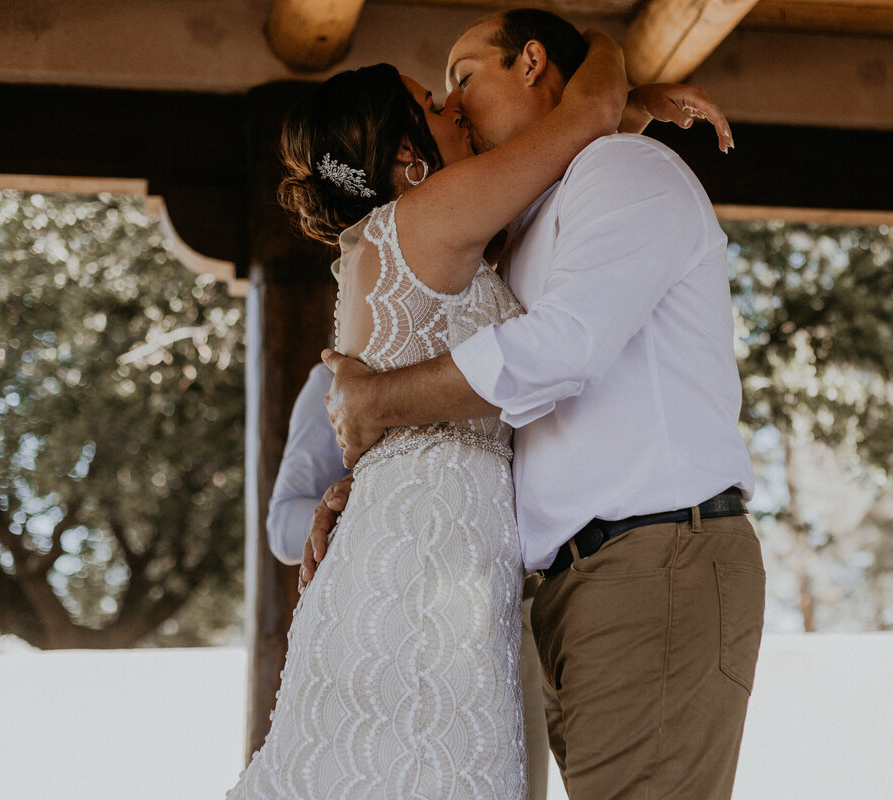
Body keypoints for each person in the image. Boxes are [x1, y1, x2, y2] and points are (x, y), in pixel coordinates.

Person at [227, 22, 731, 799]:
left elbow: (579, 188)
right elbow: (585, 115)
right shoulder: (431, 216)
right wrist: (607, 53)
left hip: (450, 550)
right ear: (405, 158)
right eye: (435, 101)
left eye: (459, 80)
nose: (454, 106)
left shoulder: (436, 236)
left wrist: (622, 114)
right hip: (435, 556)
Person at [264, 362, 551, 800]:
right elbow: (283, 523)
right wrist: (384, 496)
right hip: (386, 620)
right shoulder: (334, 378)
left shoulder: (498, 359)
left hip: (510, 615)